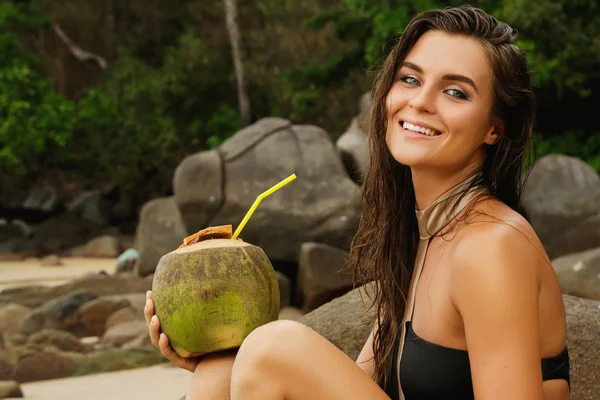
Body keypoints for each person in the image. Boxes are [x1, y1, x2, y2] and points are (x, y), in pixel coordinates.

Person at [145, 5, 570, 399]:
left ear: (494, 129)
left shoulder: (491, 246)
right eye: (410, 79)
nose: (420, 101)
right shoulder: (419, 235)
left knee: (273, 346)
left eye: (455, 92)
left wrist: (268, 355)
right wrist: (206, 354)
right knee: (219, 372)